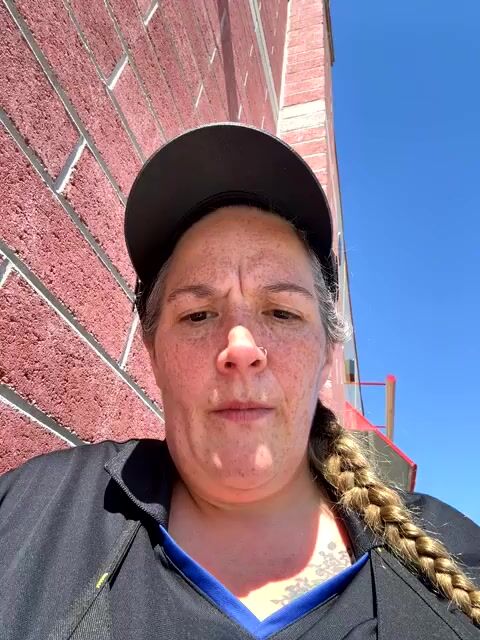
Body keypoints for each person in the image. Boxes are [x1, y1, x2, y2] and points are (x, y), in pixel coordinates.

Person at [0, 123, 479, 640]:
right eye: (198, 315)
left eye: (282, 312)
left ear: (326, 353)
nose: (242, 348)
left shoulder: (456, 555)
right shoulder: (32, 510)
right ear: (154, 353)